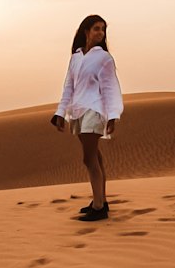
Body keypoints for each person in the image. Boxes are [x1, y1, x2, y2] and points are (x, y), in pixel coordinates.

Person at [50, 15, 124, 220]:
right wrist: (60, 113)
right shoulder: (76, 57)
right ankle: (101, 200)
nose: (100, 33)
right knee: (96, 157)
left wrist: (113, 115)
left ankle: (99, 207)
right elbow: (68, 87)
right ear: (86, 31)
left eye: (102, 29)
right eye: (96, 29)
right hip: (78, 111)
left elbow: (111, 88)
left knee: (88, 158)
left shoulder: (104, 59)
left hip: (95, 110)